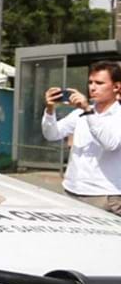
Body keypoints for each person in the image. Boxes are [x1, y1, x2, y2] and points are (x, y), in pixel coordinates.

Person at [42, 61, 121, 214]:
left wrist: (87, 109)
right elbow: (52, 134)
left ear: (116, 87)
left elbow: (110, 144)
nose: (92, 87)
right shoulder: (79, 114)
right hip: (71, 190)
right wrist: (50, 109)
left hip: (104, 195)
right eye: (90, 82)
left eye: (99, 83)